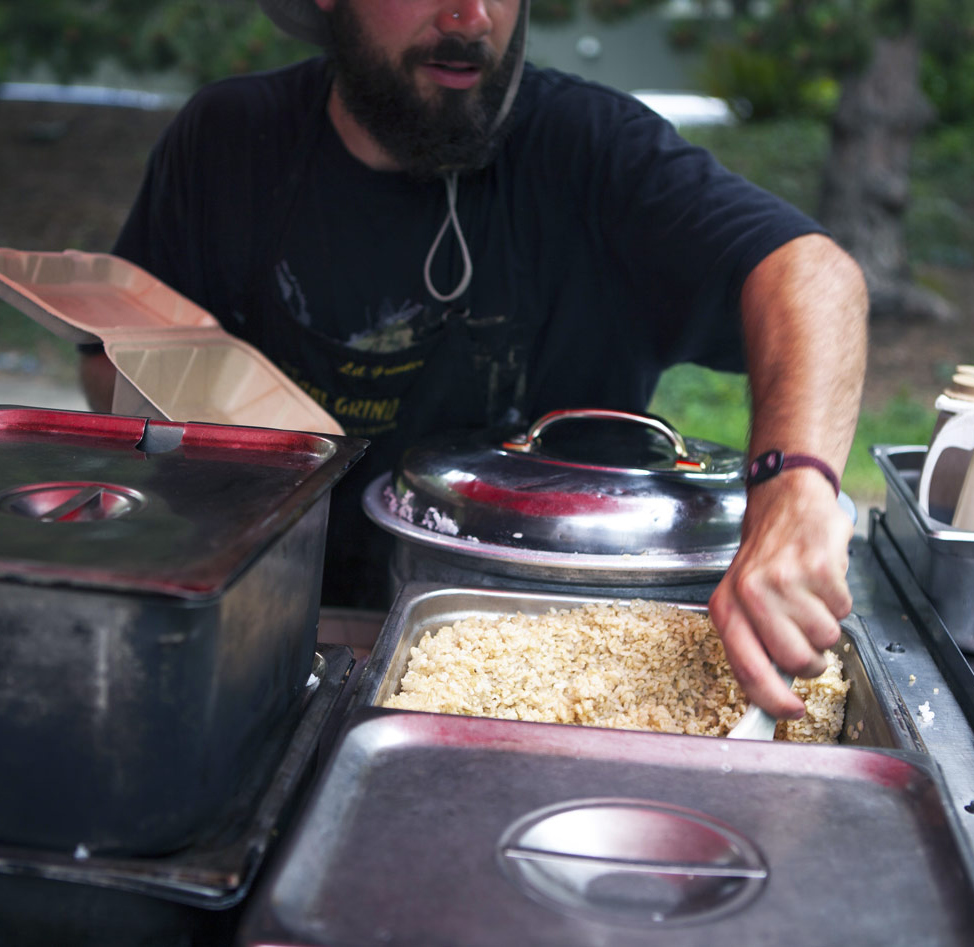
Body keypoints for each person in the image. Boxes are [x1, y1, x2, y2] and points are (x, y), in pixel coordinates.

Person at [84, 0, 868, 720]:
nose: (473, 16)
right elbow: (108, 368)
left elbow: (812, 275)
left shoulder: (591, 153)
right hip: (270, 640)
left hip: (555, 678)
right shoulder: (229, 141)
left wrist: (794, 492)